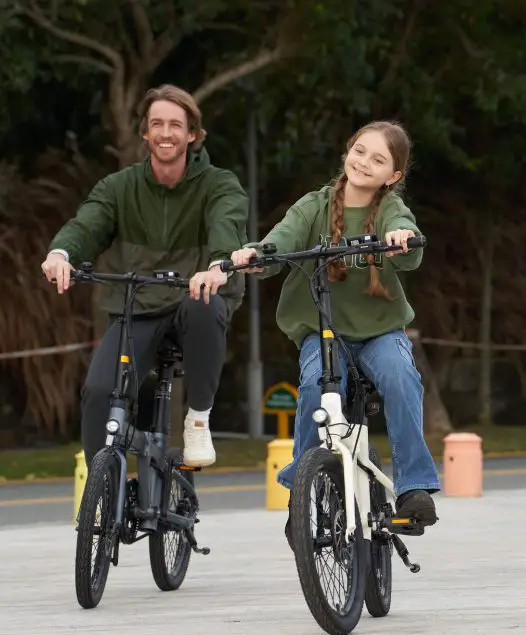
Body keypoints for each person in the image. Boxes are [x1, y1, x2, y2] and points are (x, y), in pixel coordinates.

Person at [229, 120, 441, 535]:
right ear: (348, 151)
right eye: (360, 151)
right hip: (323, 332)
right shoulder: (315, 205)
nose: (364, 162)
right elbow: (282, 239)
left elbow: (409, 241)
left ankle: (414, 487)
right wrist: (255, 254)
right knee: (313, 388)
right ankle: (302, 488)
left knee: (401, 377)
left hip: (380, 332)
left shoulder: (389, 210)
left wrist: (403, 236)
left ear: (392, 176)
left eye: (378, 159)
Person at [41, 84, 248, 470]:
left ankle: (198, 419)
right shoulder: (118, 187)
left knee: (204, 304)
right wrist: (61, 253)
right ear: (145, 132)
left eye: (175, 124)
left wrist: (220, 263)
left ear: (192, 134)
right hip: (138, 307)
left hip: (193, 301)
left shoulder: (219, 184)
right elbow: (87, 224)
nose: (165, 133)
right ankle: (100, 491)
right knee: (100, 391)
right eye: (157, 124)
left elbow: (227, 223)